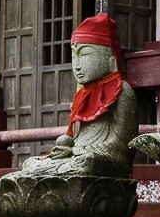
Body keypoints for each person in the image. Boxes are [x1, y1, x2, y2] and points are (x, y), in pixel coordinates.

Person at [21, 13, 136, 178]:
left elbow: (124, 147)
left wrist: (79, 151)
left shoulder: (123, 91)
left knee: (85, 163)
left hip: (101, 161)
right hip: (77, 157)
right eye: (74, 56)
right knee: (30, 164)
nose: (78, 64)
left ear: (111, 58)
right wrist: (67, 149)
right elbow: (74, 138)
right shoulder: (82, 95)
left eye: (85, 54)